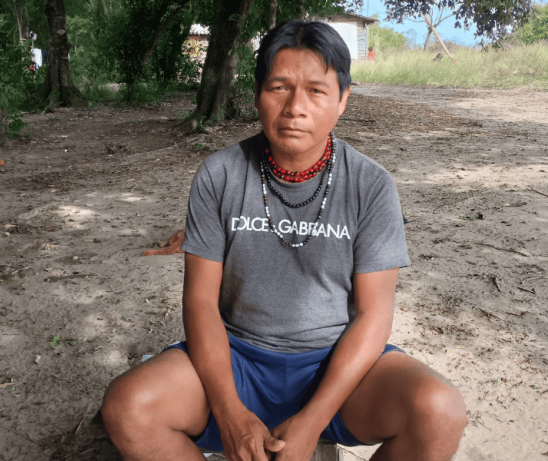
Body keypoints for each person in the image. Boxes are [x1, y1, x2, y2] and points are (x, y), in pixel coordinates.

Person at [100, 19, 466, 461]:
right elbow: (199, 302)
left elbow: (374, 314)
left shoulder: (370, 185)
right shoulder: (220, 175)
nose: (296, 107)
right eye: (279, 87)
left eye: (316, 90)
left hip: (336, 369)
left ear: (343, 100)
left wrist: (314, 419)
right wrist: (230, 411)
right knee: (128, 407)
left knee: (440, 411)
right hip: (236, 360)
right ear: (257, 94)